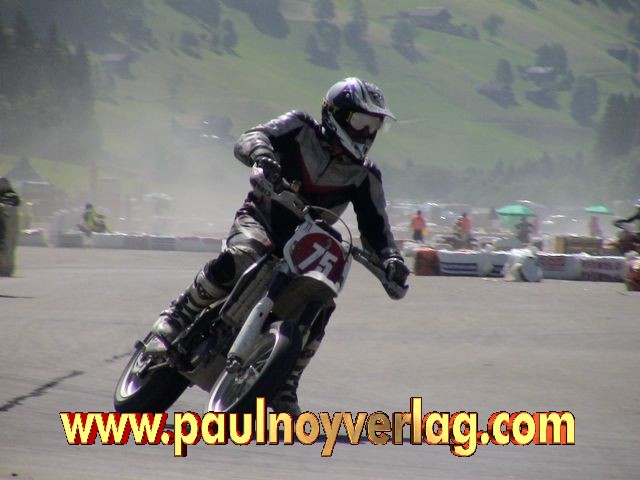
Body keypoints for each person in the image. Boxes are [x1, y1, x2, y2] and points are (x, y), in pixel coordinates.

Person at [152, 77, 410, 416]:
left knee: (321, 302)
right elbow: (252, 136)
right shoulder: (298, 127)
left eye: (373, 126)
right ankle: (179, 314)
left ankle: (286, 381)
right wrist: (262, 156)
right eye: (361, 122)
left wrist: (391, 259)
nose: (366, 133)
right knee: (242, 257)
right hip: (262, 219)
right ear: (335, 115)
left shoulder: (365, 175)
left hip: (306, 246)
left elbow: (377, 228)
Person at [0, 177, 21, 276]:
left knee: (7, 246)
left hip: (7, 226)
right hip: (8, 226)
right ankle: (6, 267)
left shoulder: (11, 196)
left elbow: (14, 202)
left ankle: (6, 267)